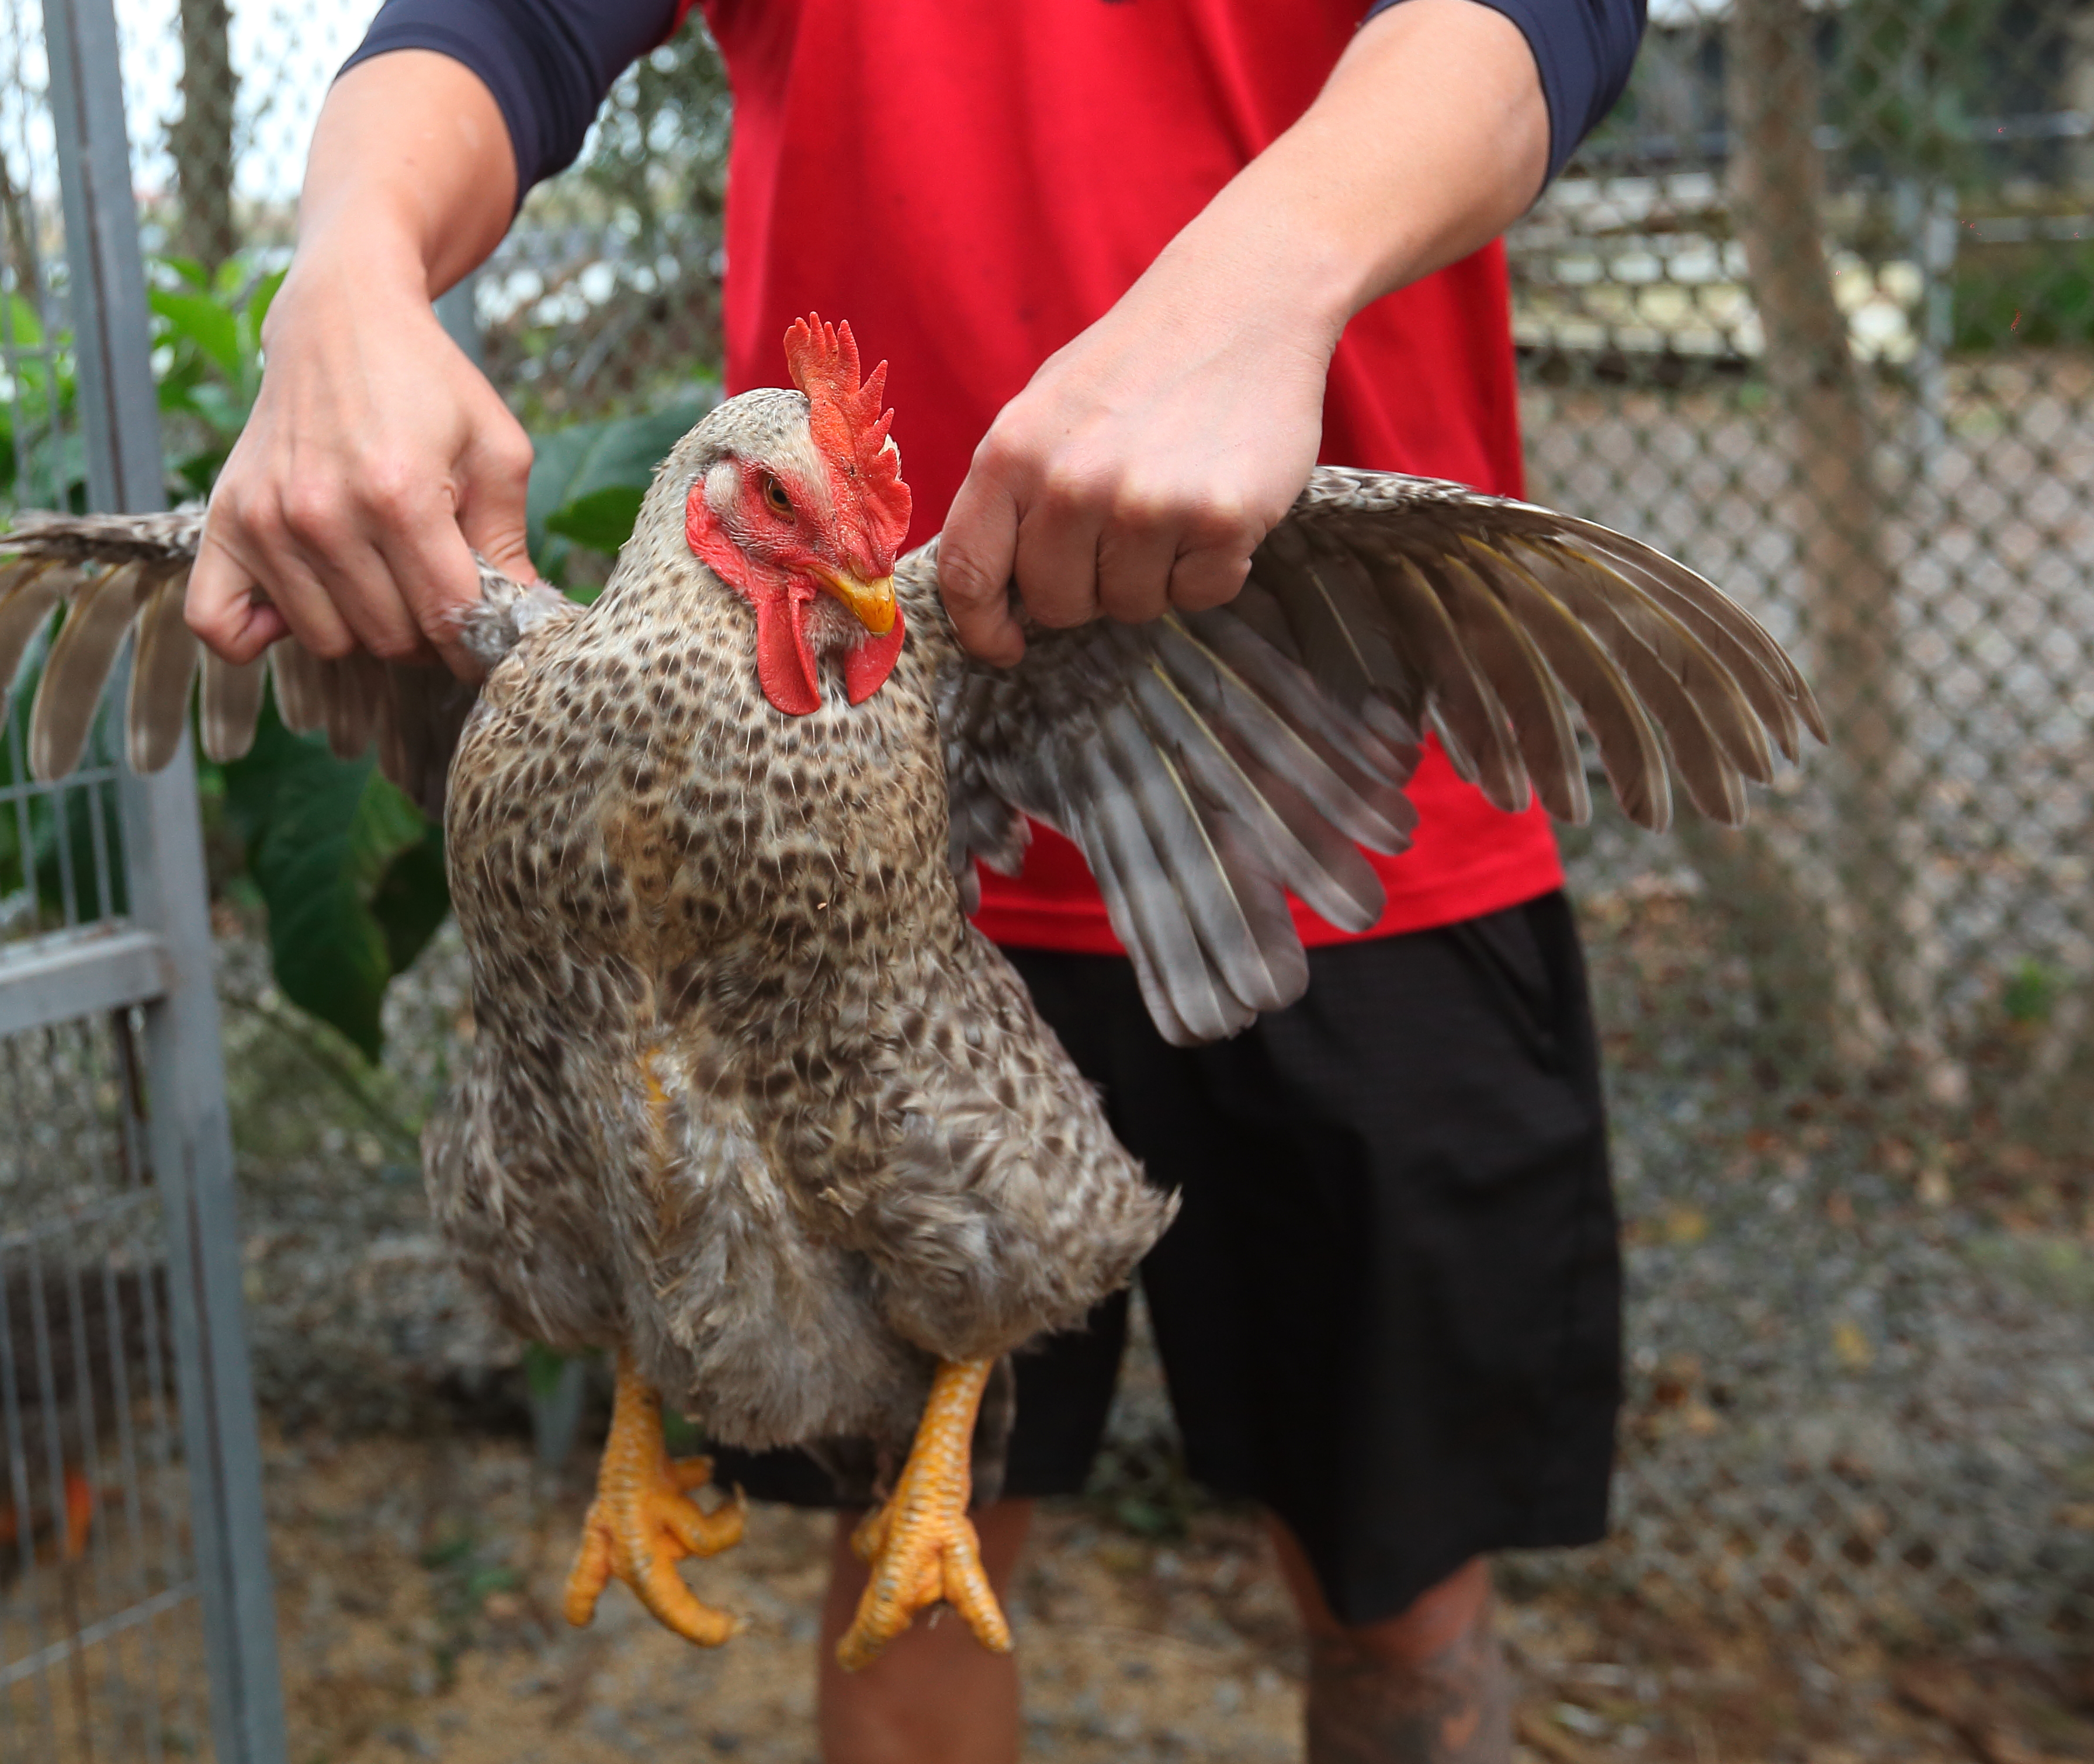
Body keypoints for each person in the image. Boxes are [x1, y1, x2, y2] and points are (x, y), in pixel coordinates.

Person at [185, 3, 1647, 1759]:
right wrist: (342, 269)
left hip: (1328, 765)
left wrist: (1267, 268)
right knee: (902, 1574)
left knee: (1400, 1586)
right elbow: (502, 21)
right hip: (804, 899)